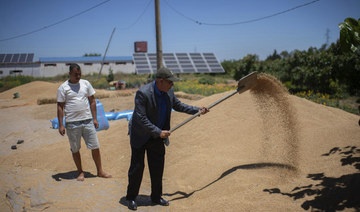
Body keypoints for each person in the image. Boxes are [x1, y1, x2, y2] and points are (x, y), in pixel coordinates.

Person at [125, 67, 209, 210]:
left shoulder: (168, 91)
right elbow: (141, 118)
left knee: (157, 167)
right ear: (160, 81)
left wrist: (197, 110)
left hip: (158, 135)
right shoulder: (143, 93)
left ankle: (156, 197)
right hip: (141, 135)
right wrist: (158, 131)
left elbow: (178, 105)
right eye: (170, 82)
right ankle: (131, 197)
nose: (173, 85)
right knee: (137, 168)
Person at [57, 63, 112, 181]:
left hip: (87, 121)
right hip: (72, 123)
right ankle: (80, 172)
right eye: (75, 74)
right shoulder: (63, 88)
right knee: (75, 149)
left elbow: (92, 101)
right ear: (69, 74)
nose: (78, 76)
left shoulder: (86, 84)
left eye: (80, 74)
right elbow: (60, 106)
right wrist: (61, 125)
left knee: (95, 146)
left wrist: (95, 118)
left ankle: (100, 171)